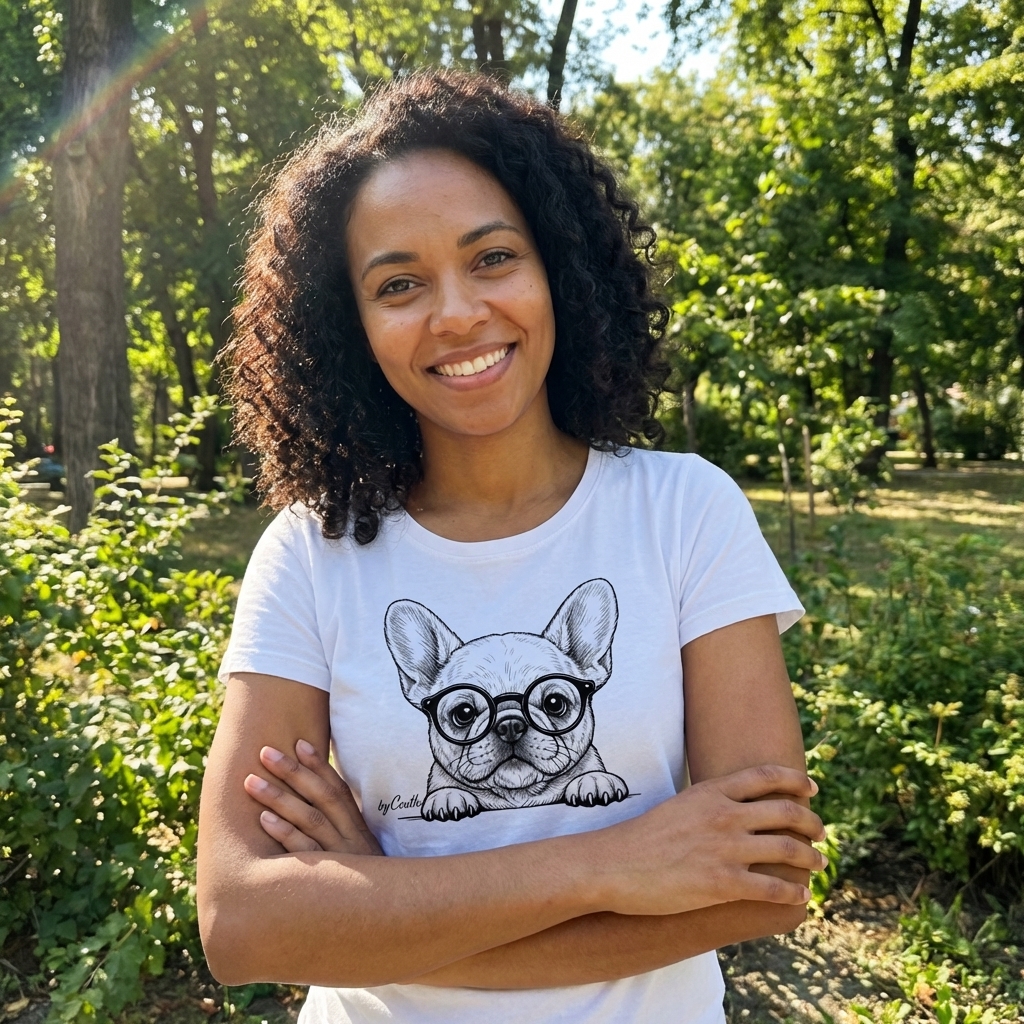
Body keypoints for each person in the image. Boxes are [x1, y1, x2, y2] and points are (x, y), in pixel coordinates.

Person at [197, 69, 826, 1024]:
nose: (456, 313)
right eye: (399, 284)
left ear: (560, 269)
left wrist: (378, 904)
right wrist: (617, 862)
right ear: (349, 326)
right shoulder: (312, 552)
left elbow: (766, 885)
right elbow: (242, 923)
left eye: (492, 257)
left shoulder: (685, 511)